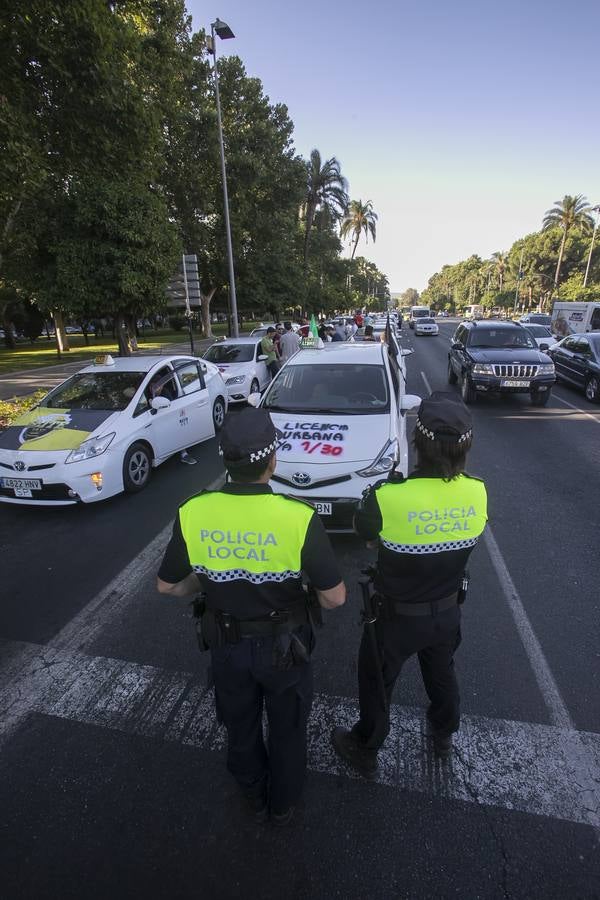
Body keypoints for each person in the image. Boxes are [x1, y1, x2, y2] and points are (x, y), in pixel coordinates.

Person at [157, 407, 346, 824]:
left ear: (226, 460)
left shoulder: (193, 511)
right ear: (272, 460)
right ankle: (282, 804)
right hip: (286, 649)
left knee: (240, 726)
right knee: (288, 728)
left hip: (227, 645)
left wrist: (207, 583)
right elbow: (334, 598)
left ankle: (253, 794)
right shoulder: (299, 517)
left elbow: (169, 585)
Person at [332, 392, 487, 775]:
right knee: (441, 673)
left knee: (376, 680)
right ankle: (443, 734)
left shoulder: (389, 497)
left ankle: (366, 746)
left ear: (417, 443)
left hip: (396, 618)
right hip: (448, 610)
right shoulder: (478, 490)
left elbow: (365, 536)